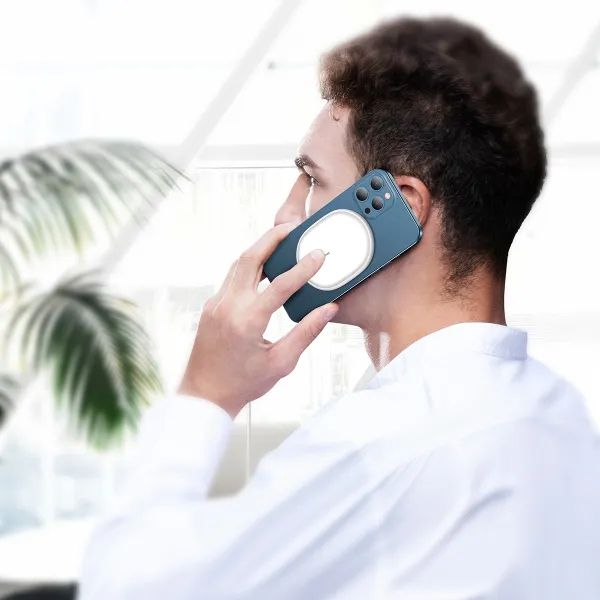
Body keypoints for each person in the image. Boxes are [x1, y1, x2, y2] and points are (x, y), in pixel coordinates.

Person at [77, 15, 600, 600]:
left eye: (313, 181)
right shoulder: (560, 416)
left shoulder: (378, 445)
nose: (288, 216)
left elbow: (121, 587)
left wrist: (205, 393)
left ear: (400, 207)